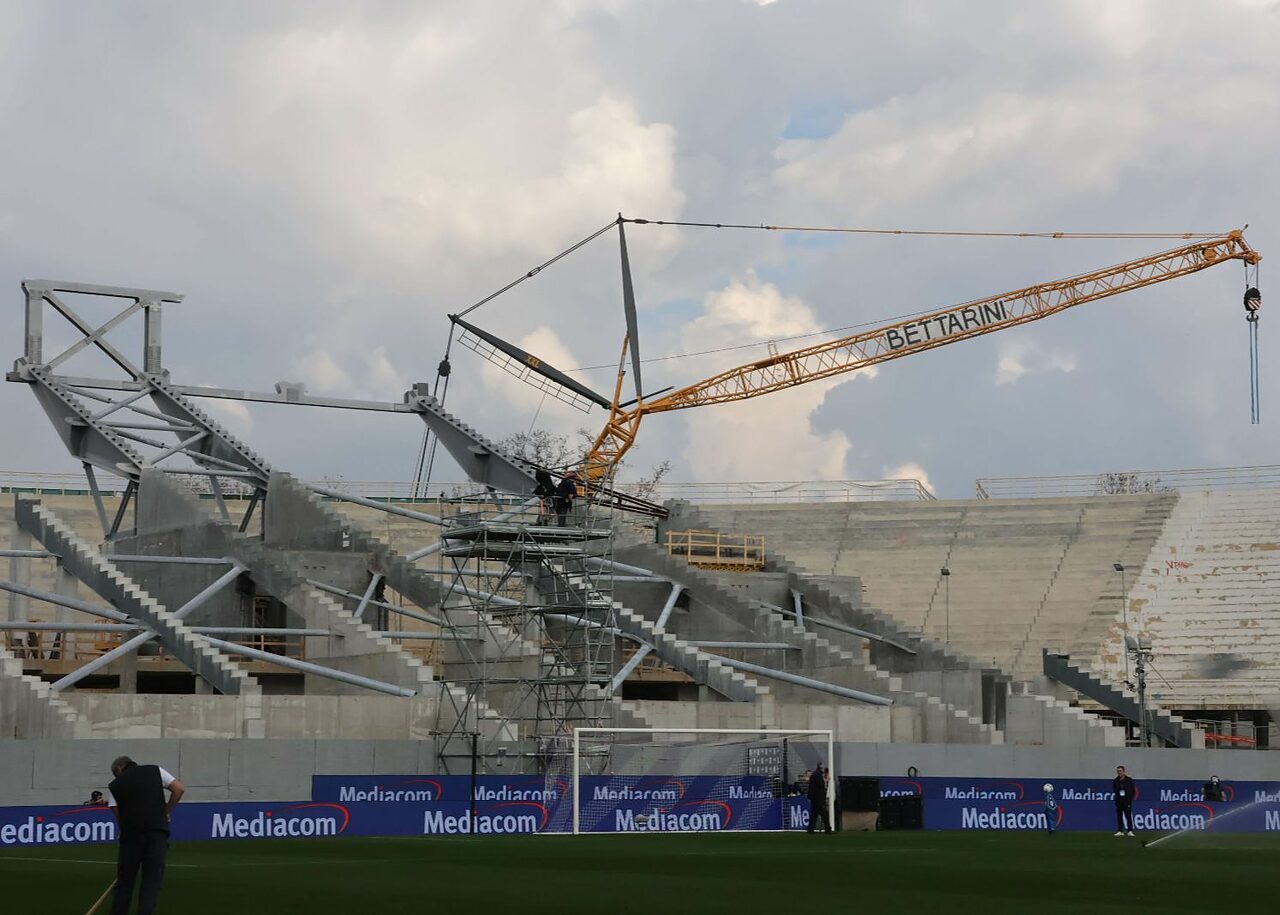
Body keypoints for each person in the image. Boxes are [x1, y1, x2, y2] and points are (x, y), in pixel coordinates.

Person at [106, 756, 184, 915]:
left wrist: (125, 829)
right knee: (151, 882)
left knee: (125, 883)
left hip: (131, 836)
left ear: (120, 769)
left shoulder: (115, 785)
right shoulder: (155, 770)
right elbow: (179, 788)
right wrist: (166, 811)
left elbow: (115, 810)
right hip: (157, 833)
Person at [807, 764, 832, 834]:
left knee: (814, 814)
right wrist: (826, 780)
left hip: (814, 798)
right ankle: (827, 829)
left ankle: (810, 829)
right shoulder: (817, 775)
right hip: (818, 798)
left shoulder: (815, 775)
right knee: (824, 814)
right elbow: (820, 785)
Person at [1112, 765, 1136, 836]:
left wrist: (1129, 799)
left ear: (1123, 771)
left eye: (1120, 771)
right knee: (1119, 816)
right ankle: (1120, 831)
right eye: (1118, 771)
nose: (1119, 772)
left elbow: (1133, 790)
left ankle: (1130, 831)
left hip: (1127, 801)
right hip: (1119, 801)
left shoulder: (1129, 780)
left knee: (1128, 816)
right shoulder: (1116, 780)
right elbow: (1114, 790)